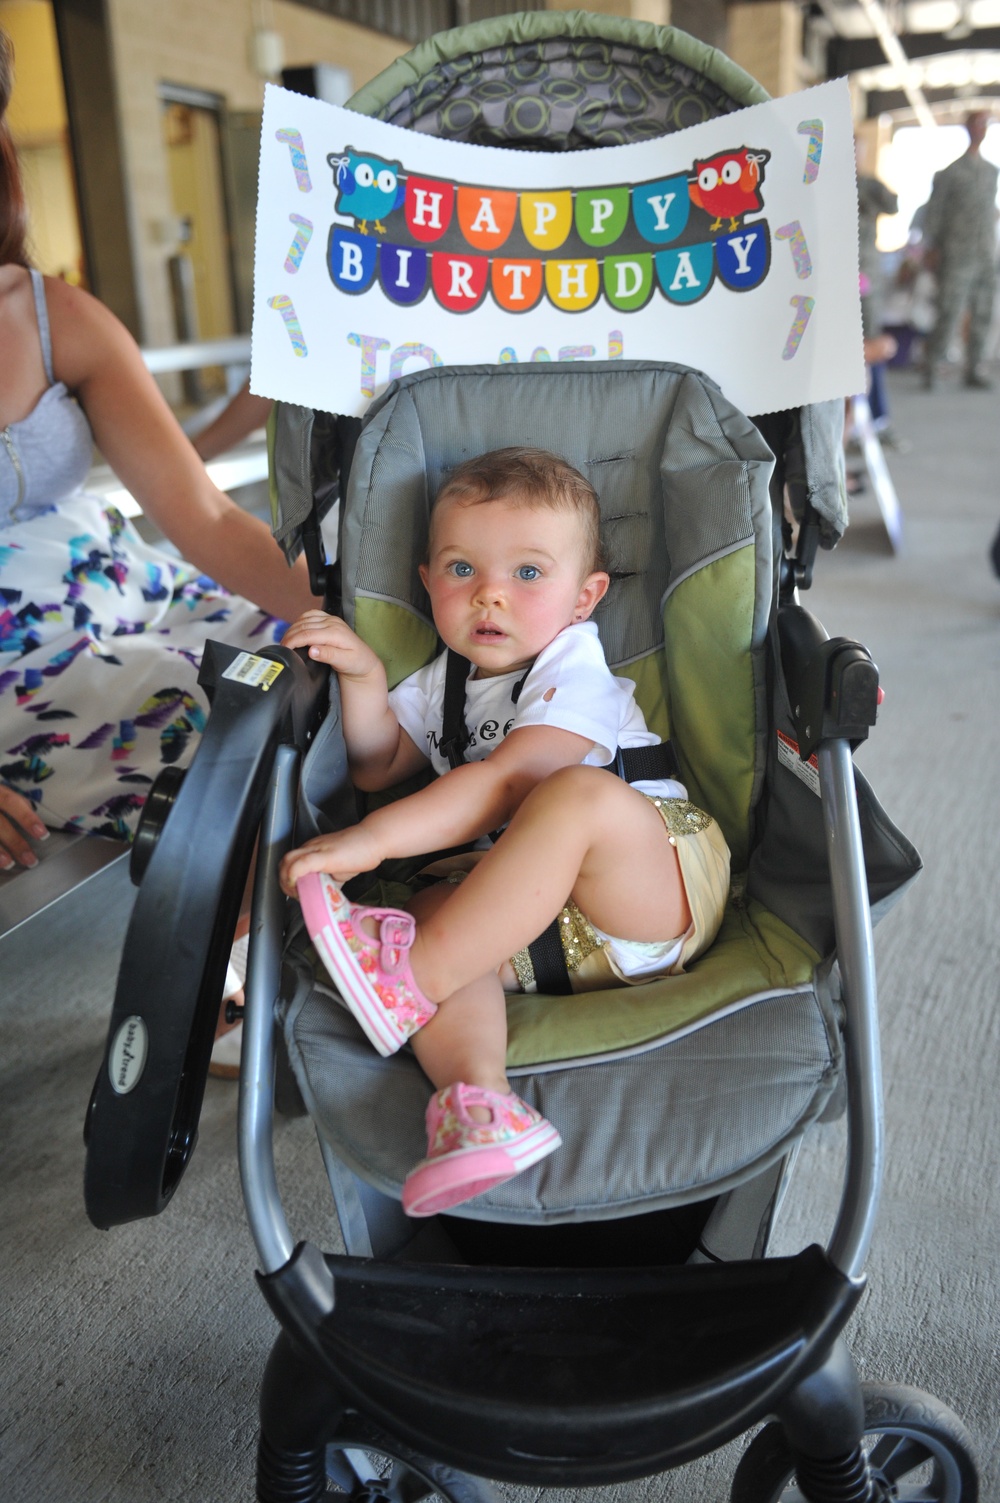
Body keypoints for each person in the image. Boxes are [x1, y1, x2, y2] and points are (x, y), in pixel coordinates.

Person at [278, 447, 731, 1218]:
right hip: (537, 931)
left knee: (572, 795)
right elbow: (380, 763)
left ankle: (408, 981)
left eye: (528, 573)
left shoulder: (571, 666)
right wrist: (362, 679)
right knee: (425, 910)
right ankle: (479, 1106)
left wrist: (373, 843)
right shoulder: (445, 680)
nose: (490, 594)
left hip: (650, 890)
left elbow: (503, 784)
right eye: (462, 570)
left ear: (585, 596)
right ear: (427, 580)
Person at [0, 29, 315, 872]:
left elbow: (206, 514)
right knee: (198, 710)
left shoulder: (46, 312)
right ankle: (253, 977)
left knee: (301, 669)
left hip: (124, 585)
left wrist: (356, 619)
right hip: (20, 667)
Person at [921, 110, 999, 390]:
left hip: (985, 255)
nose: (981, 129)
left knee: (984, 313)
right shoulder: (950, 173)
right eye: (977, 123)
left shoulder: (991, 171)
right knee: (949, 312)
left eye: (985, 124)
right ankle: (933, 366)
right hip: (956, 255)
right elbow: (935, 214)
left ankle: (975, 367)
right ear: (967, 128)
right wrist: (931, 249)